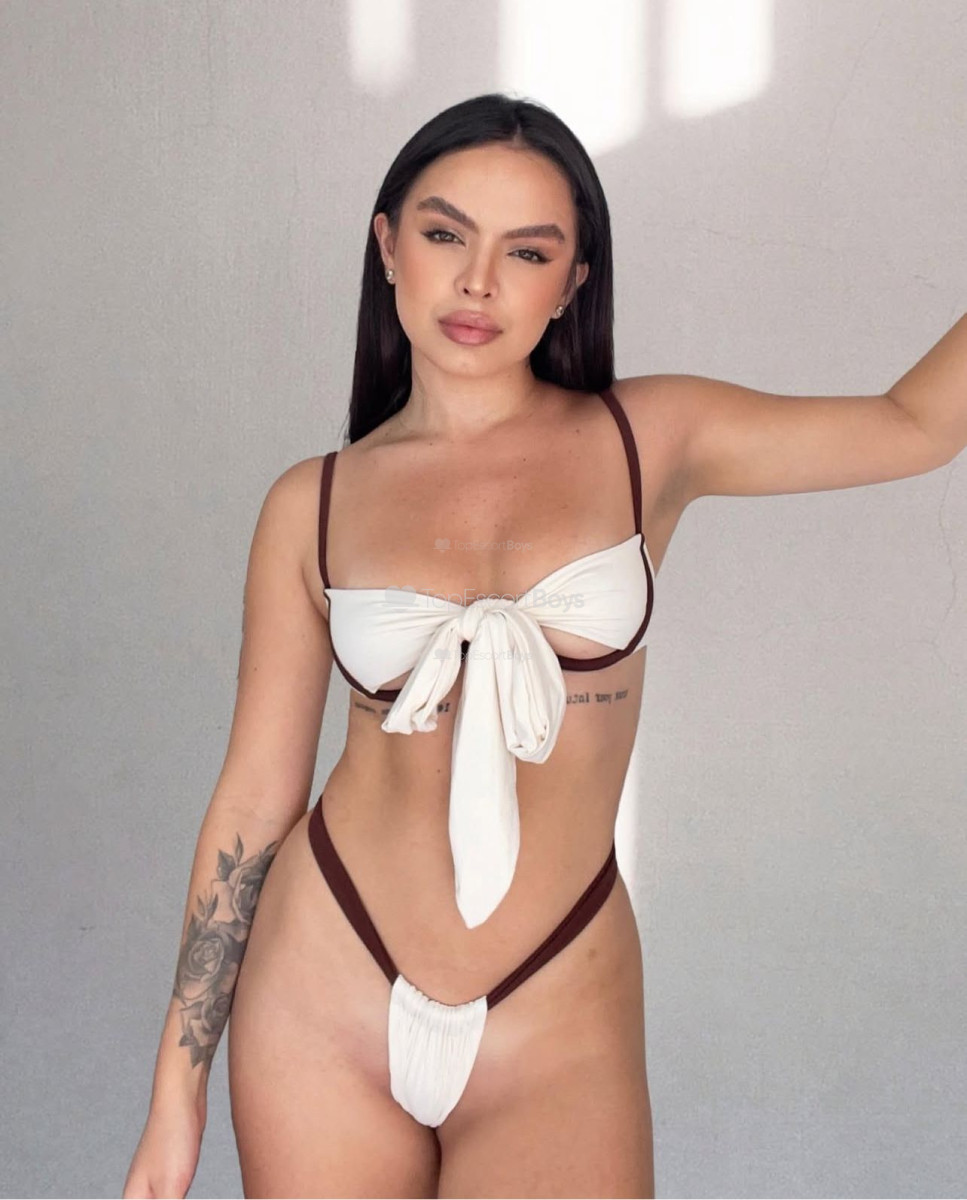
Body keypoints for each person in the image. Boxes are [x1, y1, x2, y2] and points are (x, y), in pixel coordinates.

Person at [122, 92, 965, 1200]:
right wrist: (174, 1099)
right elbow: (252, 801)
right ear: (387, 245)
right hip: (323, 987)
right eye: (444, 234)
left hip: (558, 998)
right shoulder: (307, 504)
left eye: (526, 252)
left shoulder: (649, 438)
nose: (477, 283)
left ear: (571, 283)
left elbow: (915, 424)